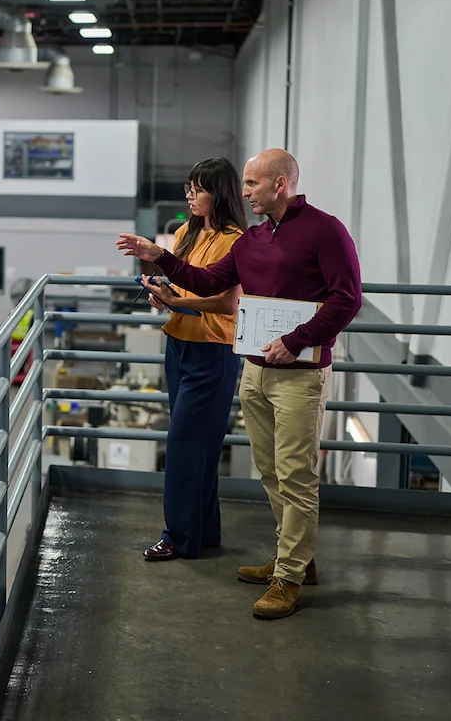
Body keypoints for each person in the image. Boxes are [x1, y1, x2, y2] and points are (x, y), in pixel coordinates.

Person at [117, 149, 361, 620]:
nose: (244, 191)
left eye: (252, 183)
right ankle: (296, 558)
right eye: (244, 184)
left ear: (281, 185)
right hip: (254, 367)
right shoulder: (254, 239)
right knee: (269, 472)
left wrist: (297, 340)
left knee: (296, 476)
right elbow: (207, 279)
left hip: (299, 373)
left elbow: (347, 299)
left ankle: (288, 579)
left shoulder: (325, 230)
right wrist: (160, 256)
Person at [139, 158, 247, 565]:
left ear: (219, 193)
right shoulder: (186, 231)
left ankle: (178, 536)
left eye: (198, 188)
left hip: (212, 348)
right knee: (197, 445)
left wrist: (178, 301)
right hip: (179, 343)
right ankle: (204, 532)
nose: (190, 195)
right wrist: (161, 290)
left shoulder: (235, 240)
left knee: (184, 444)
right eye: (188, 187)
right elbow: (182, 283)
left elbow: (227, 301)